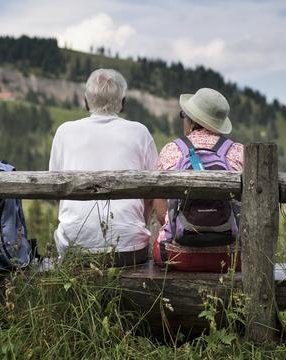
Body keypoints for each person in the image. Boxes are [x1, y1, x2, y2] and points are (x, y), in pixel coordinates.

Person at [49, 69, 158, 266]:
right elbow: (152, 195)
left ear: (85, 101)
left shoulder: (64, 132)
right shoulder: (140, 132)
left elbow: (56, 193)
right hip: (129, 248)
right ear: (123, 102)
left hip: (74, 246)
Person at [153, 88, 244, 272]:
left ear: (191, 120)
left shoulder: (172, 150)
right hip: (232, 257)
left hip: (176, 255)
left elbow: (161, 212)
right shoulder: (239, 152)